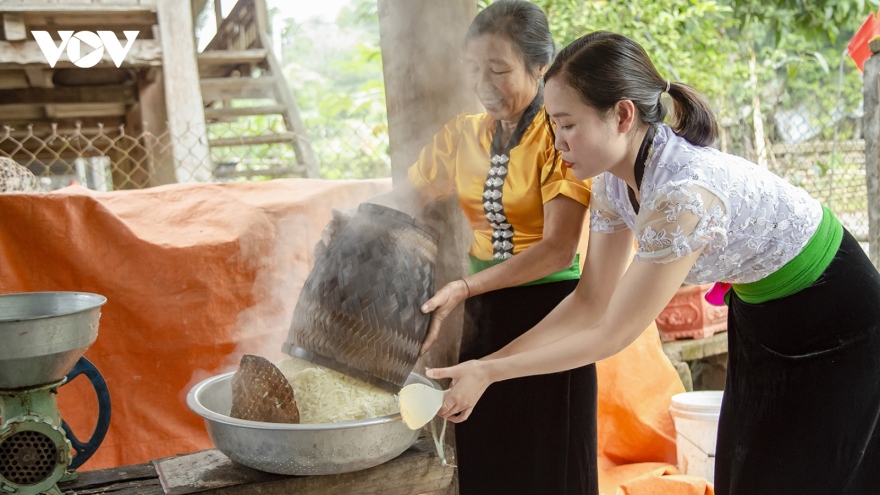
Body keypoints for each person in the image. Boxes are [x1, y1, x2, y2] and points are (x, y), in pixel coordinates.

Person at [427, 31, 880, 495]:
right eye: (552, 125)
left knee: (813, 476)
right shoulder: (610, 181)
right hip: (761, 309)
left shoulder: (683, 196)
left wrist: (490, 372)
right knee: (744, 473)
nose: (557, 142)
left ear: (622, 114)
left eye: (568, 125)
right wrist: (486, 365)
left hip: (835, 309)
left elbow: (610, 334)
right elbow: (590, 300)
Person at [318, 2, 598, 494]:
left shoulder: (560, 137)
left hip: (552, 313)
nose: (482, 84)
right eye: (472, 69)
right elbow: (407, 196)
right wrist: (350, 224)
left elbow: (557, 250)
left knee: (548, 461)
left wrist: (465, 285)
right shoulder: (463, 135)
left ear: (539, 68)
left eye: (498, 70)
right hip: (485, 313)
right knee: (487, 451)